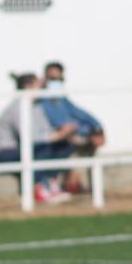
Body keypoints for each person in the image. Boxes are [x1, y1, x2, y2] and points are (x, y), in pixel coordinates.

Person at [0, 72, 76, 204]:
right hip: (5, 152)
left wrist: (63, 134)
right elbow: (31, 138)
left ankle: (51, 184)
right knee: (42, 149)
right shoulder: (17, 107)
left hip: (26, 148)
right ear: (28, 87)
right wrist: (57, 135)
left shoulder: (36, 106)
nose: (42, 87)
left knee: (65, 146)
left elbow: (44, 131)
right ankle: (37, 190)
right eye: (37, 84)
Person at [41, 61, 105, 193]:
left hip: (70, 137)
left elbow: (80, 114)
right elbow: (57, 125)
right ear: (45, 79)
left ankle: (83, 185)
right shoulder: (41, 100)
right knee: (73, 144)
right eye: (52, 79)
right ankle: (72, 183)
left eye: (59, 79)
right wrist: (76, 131)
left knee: (89, 142)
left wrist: (98, 129)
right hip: (55, 142)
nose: (56, 83)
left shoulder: (62, 99)